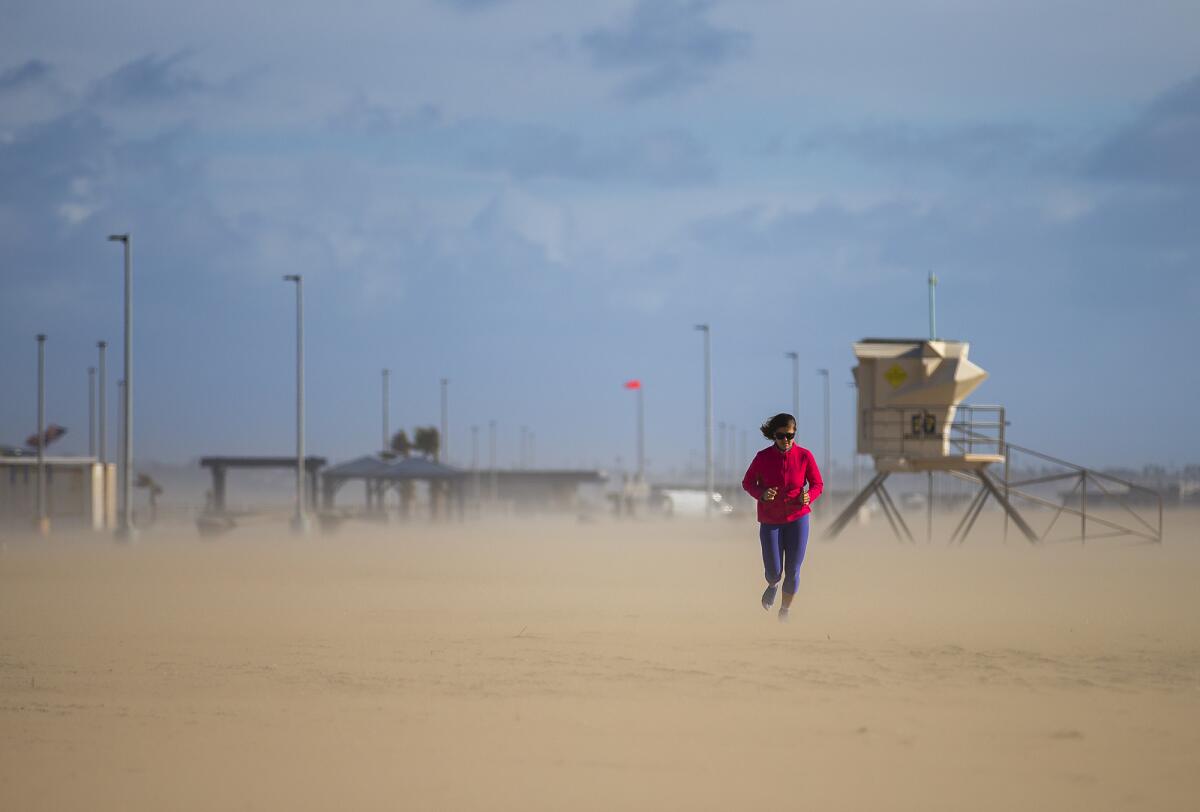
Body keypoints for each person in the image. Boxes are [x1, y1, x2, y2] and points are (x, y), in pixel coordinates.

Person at [741, 413, 823, 622]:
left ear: (794, 433)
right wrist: (761, 494)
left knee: (793, 570)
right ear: (773, 436)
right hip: (770, 521)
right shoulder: (762, 457)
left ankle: (785, 611)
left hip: (798, 518)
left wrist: (809, 496)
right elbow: (748, 482)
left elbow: (817, 484)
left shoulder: (805, 456)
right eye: (780, 436)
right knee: (774, 571)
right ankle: (772, 585)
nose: (785, 440)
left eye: (790, 435)